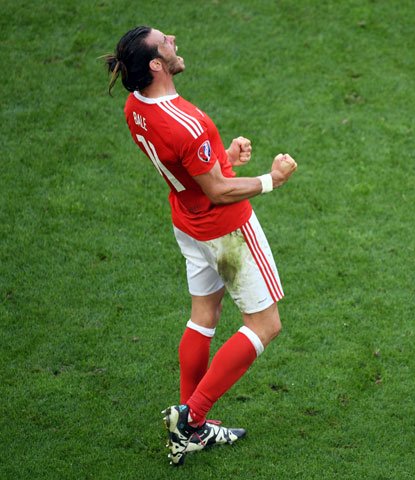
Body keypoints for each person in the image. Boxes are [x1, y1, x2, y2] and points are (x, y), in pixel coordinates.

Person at [103, 25, 297, 466]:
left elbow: (192, 171)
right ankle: (191, 419)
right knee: (265, 325)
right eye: (165, 41)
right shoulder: (187, 121)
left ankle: (190, 430)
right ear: (156, 64)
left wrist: (222, 159)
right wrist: (272, 180)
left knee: (203, 316)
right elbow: (218, 192)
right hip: (226, 231)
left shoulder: (135, 107)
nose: (173, 39)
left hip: (187, 225)